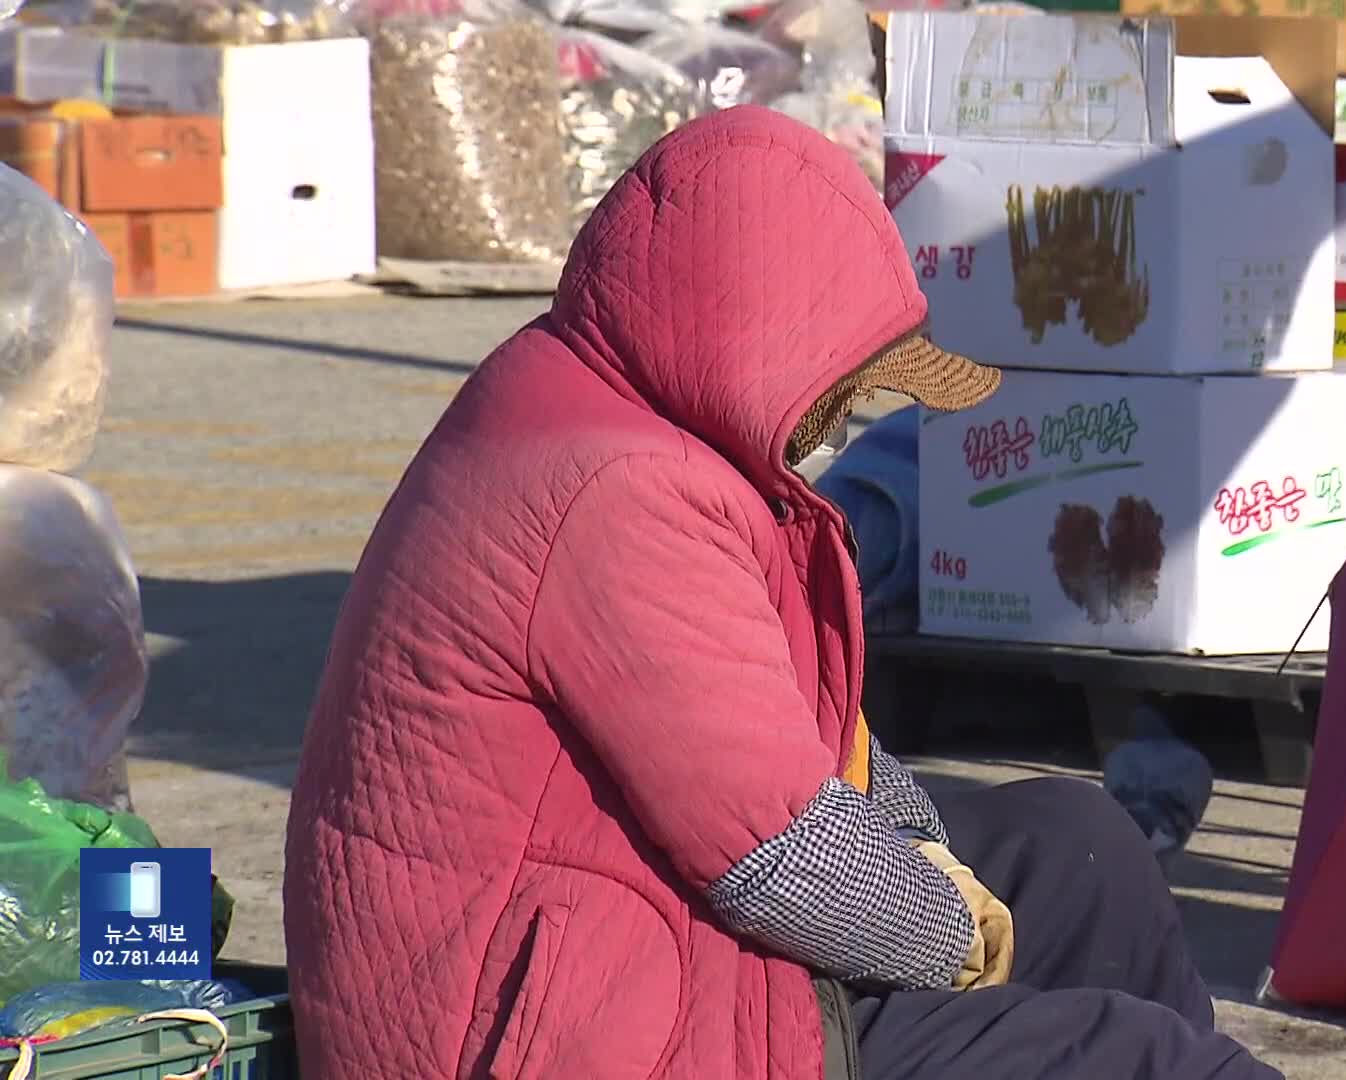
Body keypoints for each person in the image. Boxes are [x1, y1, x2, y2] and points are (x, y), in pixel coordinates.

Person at [282, 106, 1283, 1080]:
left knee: (1081, 853)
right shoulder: (613, 493)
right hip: (571, 1032)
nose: (843, 415)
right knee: (1138, 1059)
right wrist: (955, 935)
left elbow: (798, 739)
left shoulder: (619, 410)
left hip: (641, 936)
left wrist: (929, 856)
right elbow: (783, 862)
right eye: (838, 385)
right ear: (758, 340)